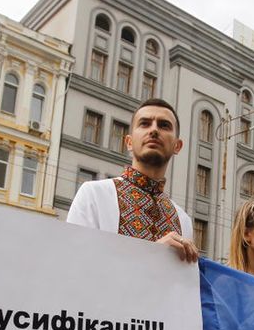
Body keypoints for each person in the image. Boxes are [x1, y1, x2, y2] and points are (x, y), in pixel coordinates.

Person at [66, 98, 197, 262]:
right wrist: (153, 254)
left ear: (177, 146)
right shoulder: (94, 195)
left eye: (164, 125)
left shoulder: (183, 220)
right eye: (145, 123)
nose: (154, 130)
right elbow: (75, 264)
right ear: (129, 142)